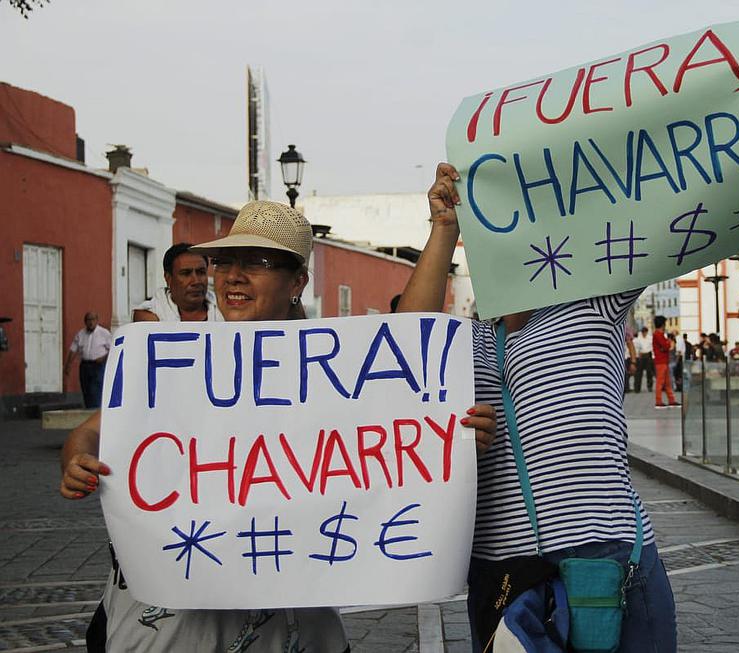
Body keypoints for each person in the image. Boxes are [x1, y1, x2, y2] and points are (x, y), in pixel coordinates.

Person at [404, 61, 739, 653]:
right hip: (503, 572)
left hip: (608, 553)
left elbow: (703, 196)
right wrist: (443, 227)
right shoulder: (462, 339)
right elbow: (408, 343)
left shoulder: (596, 296)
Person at [60, 200, 497, 652]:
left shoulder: (334, 365)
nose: (233, 276)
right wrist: (76, 459)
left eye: (259, 262)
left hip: (292, 625)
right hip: (178, 626)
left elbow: (407, 350)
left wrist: (450, 434)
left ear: (298, 282)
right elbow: (93, 431)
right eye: (225, 261)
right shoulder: (175, 361)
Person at [132, 243, 221, 322]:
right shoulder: (150, 315)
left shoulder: (223, 309)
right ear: (168, 278)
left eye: (201, 272)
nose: (196, 281)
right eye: (186, 273)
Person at [64, 312, 112, 408]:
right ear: (85, 322)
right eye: (88, 320)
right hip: (85, 366)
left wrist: (103, 358)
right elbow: (73, 349)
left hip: (98, 366)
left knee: (96, 390)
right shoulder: (81, 334)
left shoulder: (104, 333)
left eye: (92, 319)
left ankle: (96, 412)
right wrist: (68, 365)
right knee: (86, 390)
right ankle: (88, 411)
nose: (90, 322)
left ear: (97, 320)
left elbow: (112, 348)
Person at [653, 316, 679, 409]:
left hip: (664, 361)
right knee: (660, 382)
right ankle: (658, 401)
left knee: (668, 383)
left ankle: (671, 400)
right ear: (662, 324)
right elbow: (665, 346)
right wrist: (669, 342)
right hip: (661, 361)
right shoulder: (658, 334)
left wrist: (667, 343)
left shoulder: (660, 334)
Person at [633, 326, 654, 392]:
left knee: (649, 372)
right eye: (643, 332)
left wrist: (653, 357)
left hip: (648, 355)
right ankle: (637, 388)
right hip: (641, 356)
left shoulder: (650, 338)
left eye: (645, 332)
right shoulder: (638, 339)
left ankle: (650, 386)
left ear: (647, 332)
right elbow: (636, 348)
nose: (644, 333)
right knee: (638, 373)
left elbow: (652, 348)